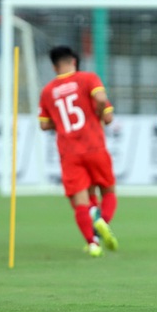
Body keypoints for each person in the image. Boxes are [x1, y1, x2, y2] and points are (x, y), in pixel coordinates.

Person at [38, 45, 119, 258]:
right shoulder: (88, 79)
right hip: (94, 146)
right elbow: (104, 107)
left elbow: (44, 125)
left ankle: (92, 243)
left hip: (69, 152)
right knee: (108, 191)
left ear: (55, 66)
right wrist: (98, 114)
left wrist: (61, 123)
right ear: (73, 61)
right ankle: (101, 220)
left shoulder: (48, 91)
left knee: (80, 200)